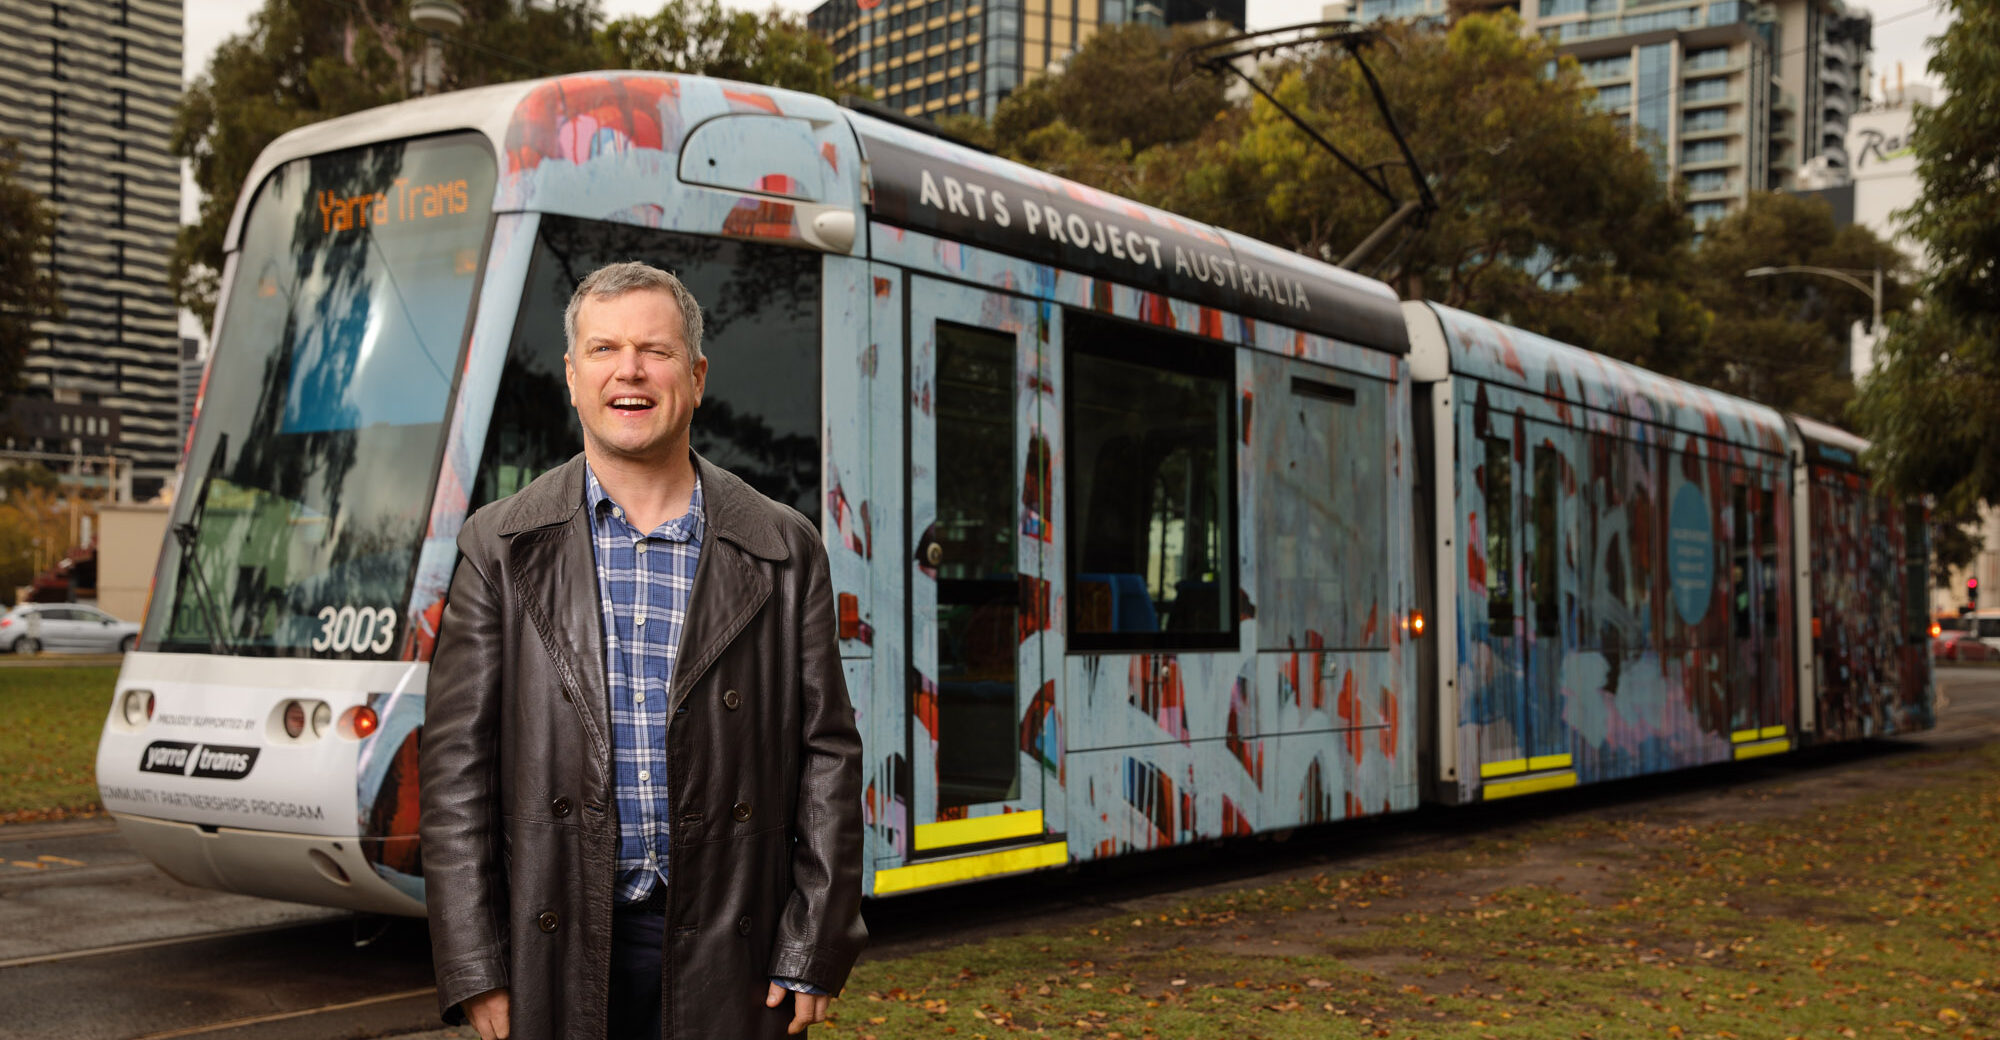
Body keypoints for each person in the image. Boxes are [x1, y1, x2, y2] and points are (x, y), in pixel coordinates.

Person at [420, 261, 867, 1039]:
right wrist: (476, 964)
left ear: (694, 376)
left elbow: (828, 753)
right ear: (572, 375)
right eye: (604, 349)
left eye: (655, 352)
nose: (629, 371)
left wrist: (814, 943)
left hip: (733, 941)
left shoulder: (784, 547)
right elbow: (455, 773)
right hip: (554, 939)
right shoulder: (499, 545)